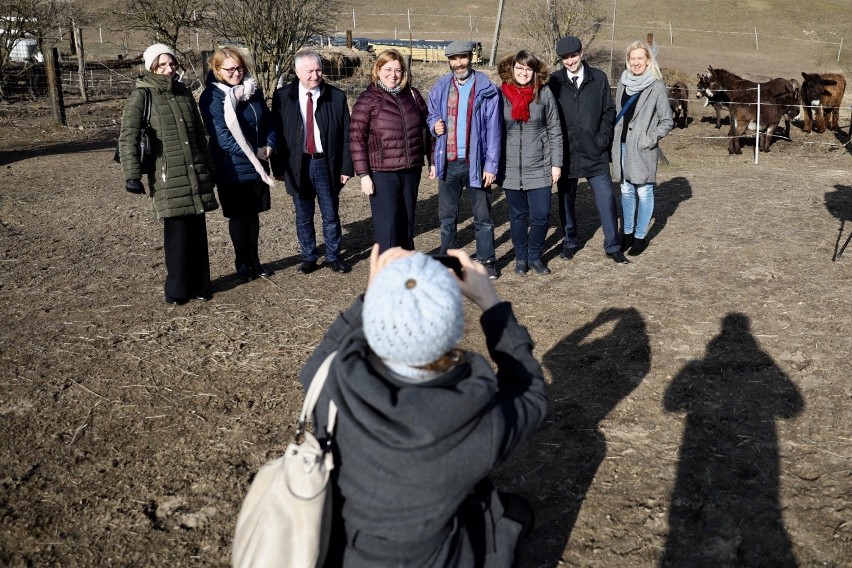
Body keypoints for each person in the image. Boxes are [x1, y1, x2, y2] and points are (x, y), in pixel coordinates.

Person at [300, 244, 547, 566]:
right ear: (453, 327)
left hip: (340, 551)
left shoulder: (330, 387)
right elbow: (530, 395)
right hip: (435, 558)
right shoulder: (481, 423)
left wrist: (374, 295)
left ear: (376, 318)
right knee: (516, 512)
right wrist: (490, 303)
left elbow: (321, 360)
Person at [119, 43, 218, 305]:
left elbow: (198, 133)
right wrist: (132, 175)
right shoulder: (141, 96)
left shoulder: (184, 92)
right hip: (167, 173)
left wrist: (210, 168)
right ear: (151, 67)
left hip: (194, 170)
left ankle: (200, 285)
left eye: (172, 63)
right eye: (162, 65)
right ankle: (177, 289)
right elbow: (128, 136)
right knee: (177, 234)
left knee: (197, 231)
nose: (169, 69)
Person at [547, 36, 629, 264]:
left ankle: (613, 245)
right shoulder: (554, 81)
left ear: (582, 53)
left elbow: (608, 112)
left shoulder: (599, 78)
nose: (570, 61)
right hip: (566, 153)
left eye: (573, 55)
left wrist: (602, 140)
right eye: (565, 58)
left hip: (595, 153)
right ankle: (570, 241)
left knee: (606, 199)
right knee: (565, 200)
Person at [270, 50, 353, 274]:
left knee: (331, 214)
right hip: (298, 164)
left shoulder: (336, 96)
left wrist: (346, 167)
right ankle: (308, 256)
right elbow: (276, 132)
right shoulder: (282, 97)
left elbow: (347, 134)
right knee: (303, 215)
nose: (315, 75)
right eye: (309, 71)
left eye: (318, 70)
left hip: (326, 163)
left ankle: (333, 256)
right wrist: (277, 167)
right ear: (297, 72)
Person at [200, 46, 277, 282]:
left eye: (240, 68)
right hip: (231, 166)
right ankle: (241, 262)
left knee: (253, 215)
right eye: (231, 69)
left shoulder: (252, 90)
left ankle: (255, 260)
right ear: (217, 69)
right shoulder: (212, 97)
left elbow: (268, 122)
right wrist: (254, 152)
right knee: (239, 217)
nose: (236, 73)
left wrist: (269, 145)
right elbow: (223, 137)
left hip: (258, 164)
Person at [427, 41, 503, 279]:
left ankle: (487, 260)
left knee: (482, 216)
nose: (458, 63)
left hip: (476, 163)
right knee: (447, 217)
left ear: (471, 58)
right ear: (449, 61)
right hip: (448, 162)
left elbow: (494, 131)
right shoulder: (440, 87)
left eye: (462, 58)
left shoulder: (487, 89)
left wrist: (491, 165)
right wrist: (433, 125)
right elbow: (431, 114)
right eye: (453, 59)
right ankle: (447, 260)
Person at [350, 49, 430, 252]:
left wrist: (433, 160)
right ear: (377, 70)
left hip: (411, 170)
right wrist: (364, 175)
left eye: (398, 70)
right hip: (383, 173)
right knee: (389, 225)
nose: (393, 75)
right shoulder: (368, 99)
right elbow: (357, 139)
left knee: (407, 222)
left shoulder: (412, 95)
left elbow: (427, 128)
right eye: (388, 69)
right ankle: (387, 272)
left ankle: (406, 268)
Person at [497, 50, 563, 276]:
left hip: (540, 166)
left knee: (542, 215)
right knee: (517, 216)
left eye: (528, 69)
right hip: (511, 167)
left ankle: (535, 255)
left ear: (534, 71)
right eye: (519, 68)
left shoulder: (544, 94)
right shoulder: (501, 95)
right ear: (512, 69)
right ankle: (521, 258)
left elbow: (555, 129)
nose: (524, 73)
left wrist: (557, 163)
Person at [611, 40, 673, 256]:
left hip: (642, 148)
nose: (636, 62)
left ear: (648, 60)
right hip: (621, 145)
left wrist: (649, 139)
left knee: (644, 191)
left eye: (640, 58)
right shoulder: (623, 82)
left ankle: (639, 236)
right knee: (626, 190)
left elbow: (667, 121)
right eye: (632, 58)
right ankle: (627, 234)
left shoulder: (656, 85)